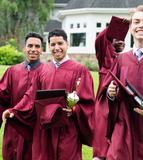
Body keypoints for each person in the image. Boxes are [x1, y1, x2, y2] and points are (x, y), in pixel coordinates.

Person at [3, 29, 95, 160]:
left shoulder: (80, 70)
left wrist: (74, 110)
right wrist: (15, 110)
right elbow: (30, 96)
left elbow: (88, 102)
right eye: (53, 44)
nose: (57, 48)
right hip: (44, 130)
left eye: (60, 43)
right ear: (48, 47)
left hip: (67, 130)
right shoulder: (42, 70)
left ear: (67, 44)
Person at [105, 4, 143, 160]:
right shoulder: (121, 60)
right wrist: (111, 94)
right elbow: (108, 101)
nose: (141, 25)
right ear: (130, 27)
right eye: (136, 22)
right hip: (125, 129)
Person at [0, 32, 44, 160]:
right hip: (14, 127)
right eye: (30, 46)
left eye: (37, 46)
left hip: (35, 130)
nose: (33, 49)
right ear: (24, 48)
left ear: (41, 50)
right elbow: (2, 99)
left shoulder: (47, 72)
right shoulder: (12, 71)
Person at [93, 16, 129, 160]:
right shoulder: (106, 59)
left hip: (122, 107)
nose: (120, 41)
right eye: (116, 39)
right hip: (104, 107)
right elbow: (100, 39)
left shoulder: (128, 60)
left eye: (123, 40)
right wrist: (116, 27)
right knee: (102, 141)